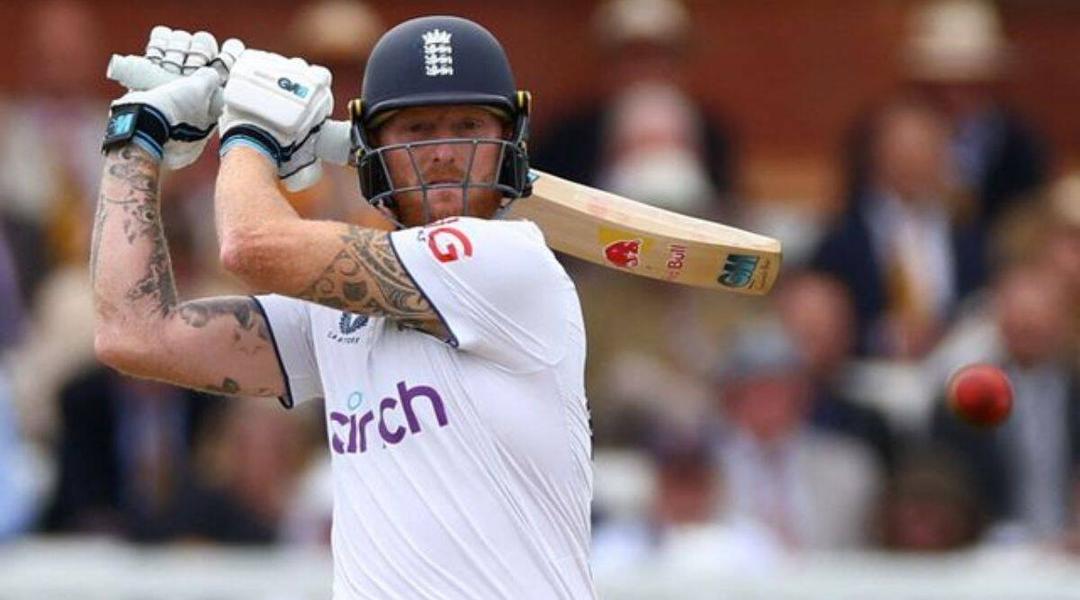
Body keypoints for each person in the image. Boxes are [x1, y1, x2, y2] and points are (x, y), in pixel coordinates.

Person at [93, 17, 593, 600]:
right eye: (417, 130)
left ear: (510, 140)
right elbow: (133, 335)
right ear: (373, 152)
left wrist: (250, 132)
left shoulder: (510, 261)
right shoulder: (337, 314)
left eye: (468, 127)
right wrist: (137, 135)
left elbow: (250, 247)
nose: (443, 153)